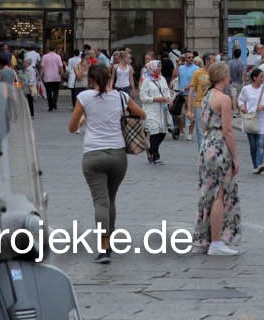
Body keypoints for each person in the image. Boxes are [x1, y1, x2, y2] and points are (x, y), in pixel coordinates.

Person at [68, 62, 147, 263]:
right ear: (111, 78)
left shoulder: (84, 97)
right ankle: (109, 243)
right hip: (118, 154)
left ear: (91, 80)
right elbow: (142, 114)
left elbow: (72, 127)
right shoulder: (121, 97)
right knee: (111, 199)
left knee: (100, 202)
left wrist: (87, 118)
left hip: (93, 154)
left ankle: (104, 248)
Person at [192, 62, 241, 255]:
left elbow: (203, 124)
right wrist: (235, 157)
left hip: (207, 145)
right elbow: (228, 130)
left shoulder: (206, 96)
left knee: (207, 193)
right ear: (223, 77)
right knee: (220, 194)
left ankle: (202, 240)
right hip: (220, 146)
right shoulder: (224, 99)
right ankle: (216, 241)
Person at [238, 67, 264, 174]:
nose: (263, 79)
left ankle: (259, 164)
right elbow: (240, 100)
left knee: (260, 144)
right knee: (253, 146)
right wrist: (242, 107)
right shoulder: (246, 89)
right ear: (254, 77)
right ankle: (255, 164)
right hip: (251, 120)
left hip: (262, 120)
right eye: (261, 77)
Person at [139, 60, 172, 165]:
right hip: (151, 110)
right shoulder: (146, 81)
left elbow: (166, 91)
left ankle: (150, 150)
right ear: (152, 67)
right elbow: (142, 97)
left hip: (162, 110)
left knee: (162, 132)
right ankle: (156, 156)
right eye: (157, 67)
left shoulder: (162, 79)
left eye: (160, 67)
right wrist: (156, 99)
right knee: (154, 131)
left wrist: (169, 99)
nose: (159, 69)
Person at [172, 51, 196, 139]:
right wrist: (178, 64)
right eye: (189, 57)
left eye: (192, 57)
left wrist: (187, 87)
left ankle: (190, 133)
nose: (191, 59)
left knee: (191, 115)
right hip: (181, 95)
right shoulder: (181, 68)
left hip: (192, 95)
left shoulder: (196, 68)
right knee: (179, 115)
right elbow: (174, 75)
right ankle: (182, 130)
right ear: (185, 59)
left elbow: (195, 82)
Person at [188, 56, 212, 146]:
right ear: (207, 61)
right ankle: (202, 153)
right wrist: (189, 110)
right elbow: (191, 90)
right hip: (200, 104)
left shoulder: (215, 73)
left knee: (211, 129)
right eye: (214, 60)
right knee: (200, 130)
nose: (216, 62)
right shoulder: (198, 73)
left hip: (213, 104)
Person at [41, 44, 64, 111]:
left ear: (48, 49)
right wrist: (62, 74)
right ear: (55, 50)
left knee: (48, 92)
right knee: (56, 91)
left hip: (47, 77)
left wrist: (41, 75)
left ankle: (50, 106)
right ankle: (54, 102)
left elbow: (42, 67)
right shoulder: (58, 56)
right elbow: (60, 67)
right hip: (56, 77)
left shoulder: (44, 57)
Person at [227, 47, 245, 112]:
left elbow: (227, 72)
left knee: (233, 96)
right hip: (239, 81)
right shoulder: (241, 64)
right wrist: (244, 81)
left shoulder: (230, 63)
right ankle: (239, 111)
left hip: (232, 82)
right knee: (239, 96)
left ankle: (234, 109)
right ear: (240, 54)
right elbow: (244, 74)